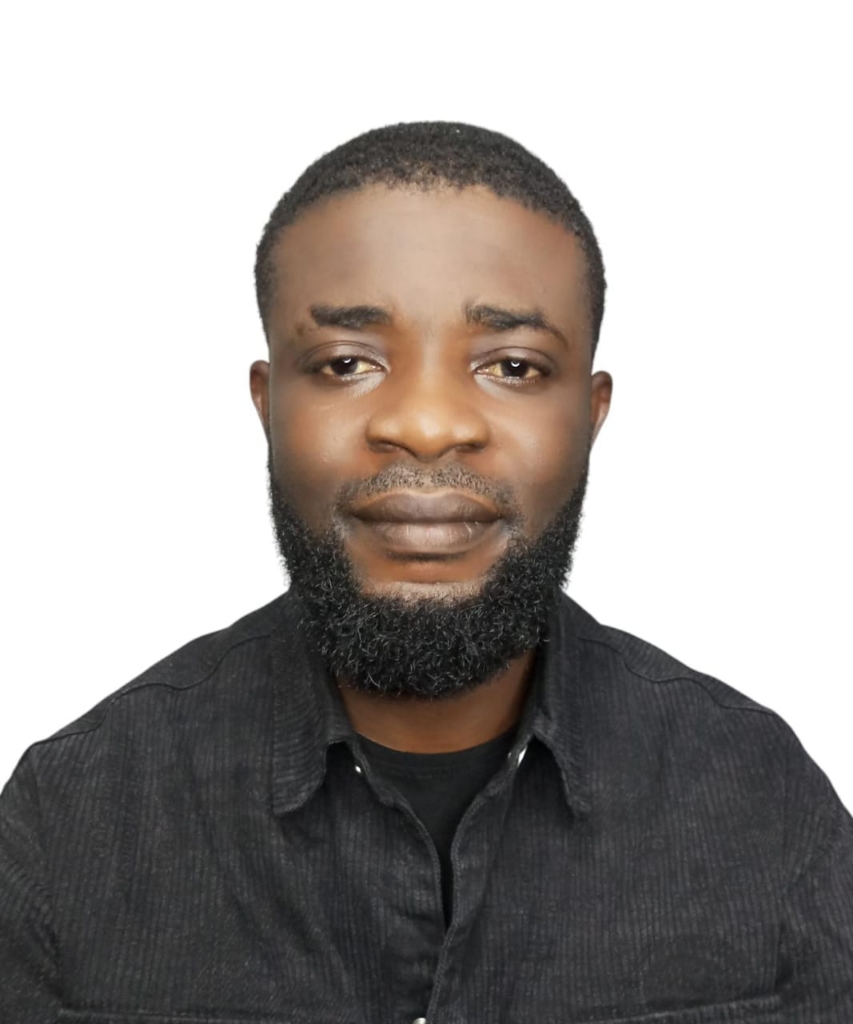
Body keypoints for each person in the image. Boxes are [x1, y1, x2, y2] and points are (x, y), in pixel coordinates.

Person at [1, 121, 851, 1023]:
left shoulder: (758, 798)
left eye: (513, 366)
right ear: (268, 404)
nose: (427, 424)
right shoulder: (71, 819)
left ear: (590, 413)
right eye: (346, 364)